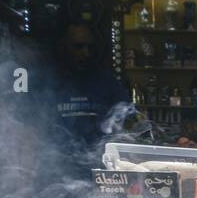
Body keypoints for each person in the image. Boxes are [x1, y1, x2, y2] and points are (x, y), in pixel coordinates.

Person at [46, 23, 132, 151]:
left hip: (98, 156)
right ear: (64, 47)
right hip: (57, 157)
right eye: (78, 46)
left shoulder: (106, 81)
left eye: (90, 47)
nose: (86, 53)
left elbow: (128, 115)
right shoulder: (50, 83)